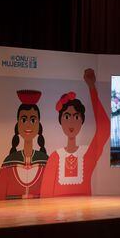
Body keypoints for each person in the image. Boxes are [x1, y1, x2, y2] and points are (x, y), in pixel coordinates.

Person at [40, 68, 109, 197]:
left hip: (85, 214)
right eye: (66, 116)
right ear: (60, 120)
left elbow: (104, 129)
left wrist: (92, 88)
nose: (71, 122)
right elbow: (45, 195)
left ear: (82, 120)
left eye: (76, 117)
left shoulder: (87, 154)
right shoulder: (55, 158)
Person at [0, 90, 48, 200]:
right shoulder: (8, 161)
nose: (28, 124)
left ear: (39, 125)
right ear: (18, 124)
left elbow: (49, 195)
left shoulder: (45, 161)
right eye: (24, 120)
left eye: (33, 120)